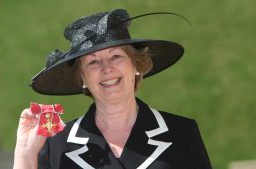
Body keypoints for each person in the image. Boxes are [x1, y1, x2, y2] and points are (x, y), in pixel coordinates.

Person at [13, 9, 212, 169]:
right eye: (93, 62)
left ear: (135, 65)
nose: (106, 68)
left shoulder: (181, 133)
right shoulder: (57, 145)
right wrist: (25, 151)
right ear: (82, 77)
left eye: (116, 56)